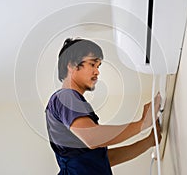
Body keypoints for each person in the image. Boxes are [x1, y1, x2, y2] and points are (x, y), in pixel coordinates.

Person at [45, 38, 162, 175]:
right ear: (71, 65)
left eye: (98, 66)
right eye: (92, 64)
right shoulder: (65, 97)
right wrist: (141, 125)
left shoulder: (68, 103)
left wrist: (149, 141)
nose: (97, 72)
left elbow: (105, 159)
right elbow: (93, 138)